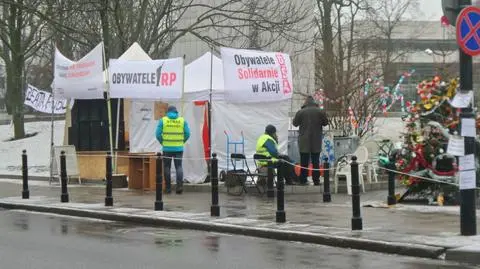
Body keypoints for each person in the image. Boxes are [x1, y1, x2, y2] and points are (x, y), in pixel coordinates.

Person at [292, 96, 328, 185]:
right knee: (315, 161)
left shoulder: (301, 112)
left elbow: (295, 123)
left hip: (304, 141)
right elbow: (325, 122)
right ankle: (316, 180)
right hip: (316, 140)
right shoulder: (320, 111)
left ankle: (303, 180)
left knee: (304, 162)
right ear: (314, 102)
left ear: (305, 103)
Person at [155, 105, 190, 194]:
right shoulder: (182, 120)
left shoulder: (163, 120)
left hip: (167, 148)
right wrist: (182, 141)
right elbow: (188, 133)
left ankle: (168, 188)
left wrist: (162, 142)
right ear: (176, 112)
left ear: (168, 112)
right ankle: (179, 187)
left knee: (167, 167)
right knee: (179, 167)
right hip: (178, 148)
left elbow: (158, 134)